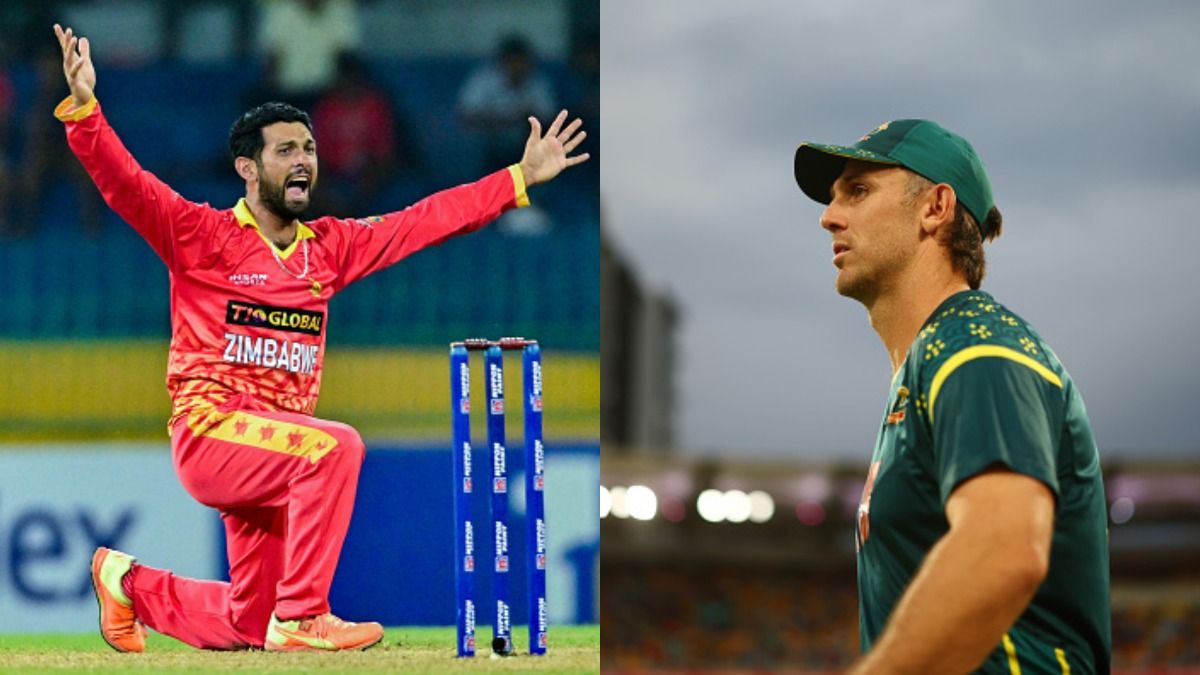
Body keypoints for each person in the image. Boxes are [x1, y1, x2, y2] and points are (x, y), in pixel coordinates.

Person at [53, 22, 587, 653]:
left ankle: (127, 584)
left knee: (249, 623)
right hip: (213, 431)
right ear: (248, 168)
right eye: (286, 150)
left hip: (279, 452)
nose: (304, 159)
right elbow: (126, 184)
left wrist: (517, 178)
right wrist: (85, 109)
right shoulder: (201, 235)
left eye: (308, 148)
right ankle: (305, 615)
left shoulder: (329, 248)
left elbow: (423, 221)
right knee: (335, 449)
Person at [792, 119, 1110, 673]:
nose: (829, 216)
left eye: (858, 191)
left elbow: (1005, 550)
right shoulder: (934, 359)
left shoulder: (975, 347)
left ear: (935, 208)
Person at [458, 34, 556, 175]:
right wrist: (505, 119)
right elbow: (467, 116)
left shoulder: (537, 83)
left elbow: (547, 118)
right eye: (512, 62)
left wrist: (523, 119)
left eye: (521, 62)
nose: (517, 67)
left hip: (523, 142)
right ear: (502, 62)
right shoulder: (483, 80)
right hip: (488, 140)